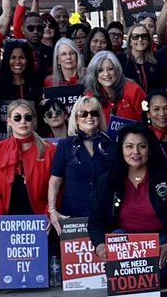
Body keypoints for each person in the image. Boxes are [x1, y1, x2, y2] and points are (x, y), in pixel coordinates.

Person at [88, 124, 167, 293]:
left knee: (165, 279)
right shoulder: (108, 180)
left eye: (142, 146)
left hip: (160, 241)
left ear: (150, 150)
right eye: (129, 146)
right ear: (121, 149)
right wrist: (99, 246)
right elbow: (95, 221)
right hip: (124, 242)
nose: (135, 152)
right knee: (115, 237)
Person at [48, 96, 116, 232]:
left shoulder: (112, 145)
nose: (89, 117)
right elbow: (55, 181)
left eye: (94, 113)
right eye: (83, 113)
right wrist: (52, 210)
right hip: (72, 218)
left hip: (104, 216)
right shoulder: (64, 145)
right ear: (75, 118)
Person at [0, 99, 54, 227]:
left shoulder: (50, 149)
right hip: (7, 222)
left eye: (28, 117)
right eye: (17, 118)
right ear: (9, 121)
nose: (23, 121)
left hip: (41, 220)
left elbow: (57, 188)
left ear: (34, 120)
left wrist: (49, 215)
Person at [84, 50, 146, 128]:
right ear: (94, 74)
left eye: (110, 69)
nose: (106, 74)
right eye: (100, 70)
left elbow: (146, 121)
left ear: (117, 69)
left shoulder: (133, 90)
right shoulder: (90, 96)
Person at [119, 26, 157, 94]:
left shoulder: (155, 61)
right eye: (135, 36)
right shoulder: (120, 60)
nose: (140, 39)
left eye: (144, 36)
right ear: (130, 41)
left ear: (148, 41)